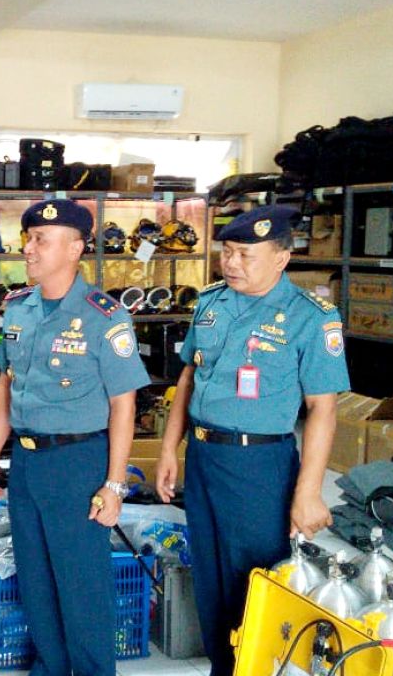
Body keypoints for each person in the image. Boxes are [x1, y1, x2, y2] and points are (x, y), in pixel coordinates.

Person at [154, 204, 349, 676]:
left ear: (282, 258)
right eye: (227, 251)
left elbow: (323, 408)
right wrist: (168, 449)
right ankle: (224, 668)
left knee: (256, 582)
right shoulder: (211, 302)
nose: (232, 262)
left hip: (260, 465)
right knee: (210, 578)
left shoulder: (311, 318)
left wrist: (308, 492)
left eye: (246, 254)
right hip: (203, 459)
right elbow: (188, 377)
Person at [0, 199, 150, 676]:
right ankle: (50, 668)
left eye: (41, 240)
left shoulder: (104, 316)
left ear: (75, 248)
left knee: (82, 583)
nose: (29, 249)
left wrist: (114, 485)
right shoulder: (17, 309)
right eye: (29, 238)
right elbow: (7, 386)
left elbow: (124, 404)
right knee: (35, 578)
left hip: (79, 462)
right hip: (28, 463)